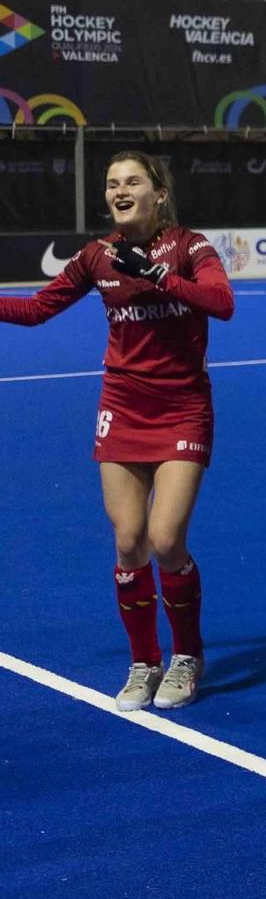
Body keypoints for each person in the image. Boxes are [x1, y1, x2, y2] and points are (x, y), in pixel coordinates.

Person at [0, 151, 234, 710]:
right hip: (123, 408)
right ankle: (143, 661)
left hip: (182, 408)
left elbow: (221, 302)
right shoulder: (96, 257)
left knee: (166, 538)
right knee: (129, 541)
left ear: (159, 193)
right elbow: (37, 309)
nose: (120, 190)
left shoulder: (189, 246)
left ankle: (185, 655)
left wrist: (158, 275)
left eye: (132, 181)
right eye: (111, 184)